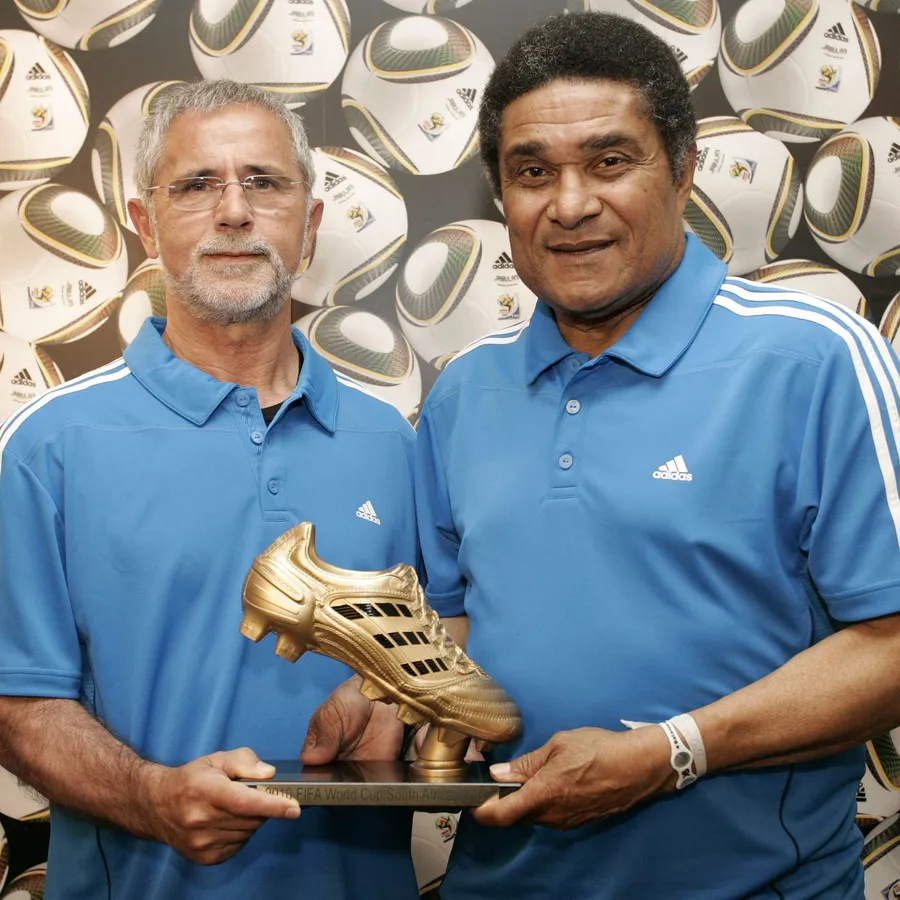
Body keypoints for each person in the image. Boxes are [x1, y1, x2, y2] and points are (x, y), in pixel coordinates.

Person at [312, 11, 900, 898]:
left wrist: (673, 752)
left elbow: (891, 647)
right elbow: (460, 625)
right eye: (532, 172)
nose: (570, 203)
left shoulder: (813, 358)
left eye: (610, 161)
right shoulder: (464, 392)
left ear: (685, 169)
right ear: (500, 193)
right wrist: (392, 689)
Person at [0, 79, 420, 900]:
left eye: (264, 182)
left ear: (311, 223)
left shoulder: (394, 442)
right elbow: (16, 704)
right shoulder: (50, 443)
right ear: (145, 223)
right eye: (196, 185)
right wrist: (149, 798)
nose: (234, 211)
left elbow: (440, 656)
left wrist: (395, 700)